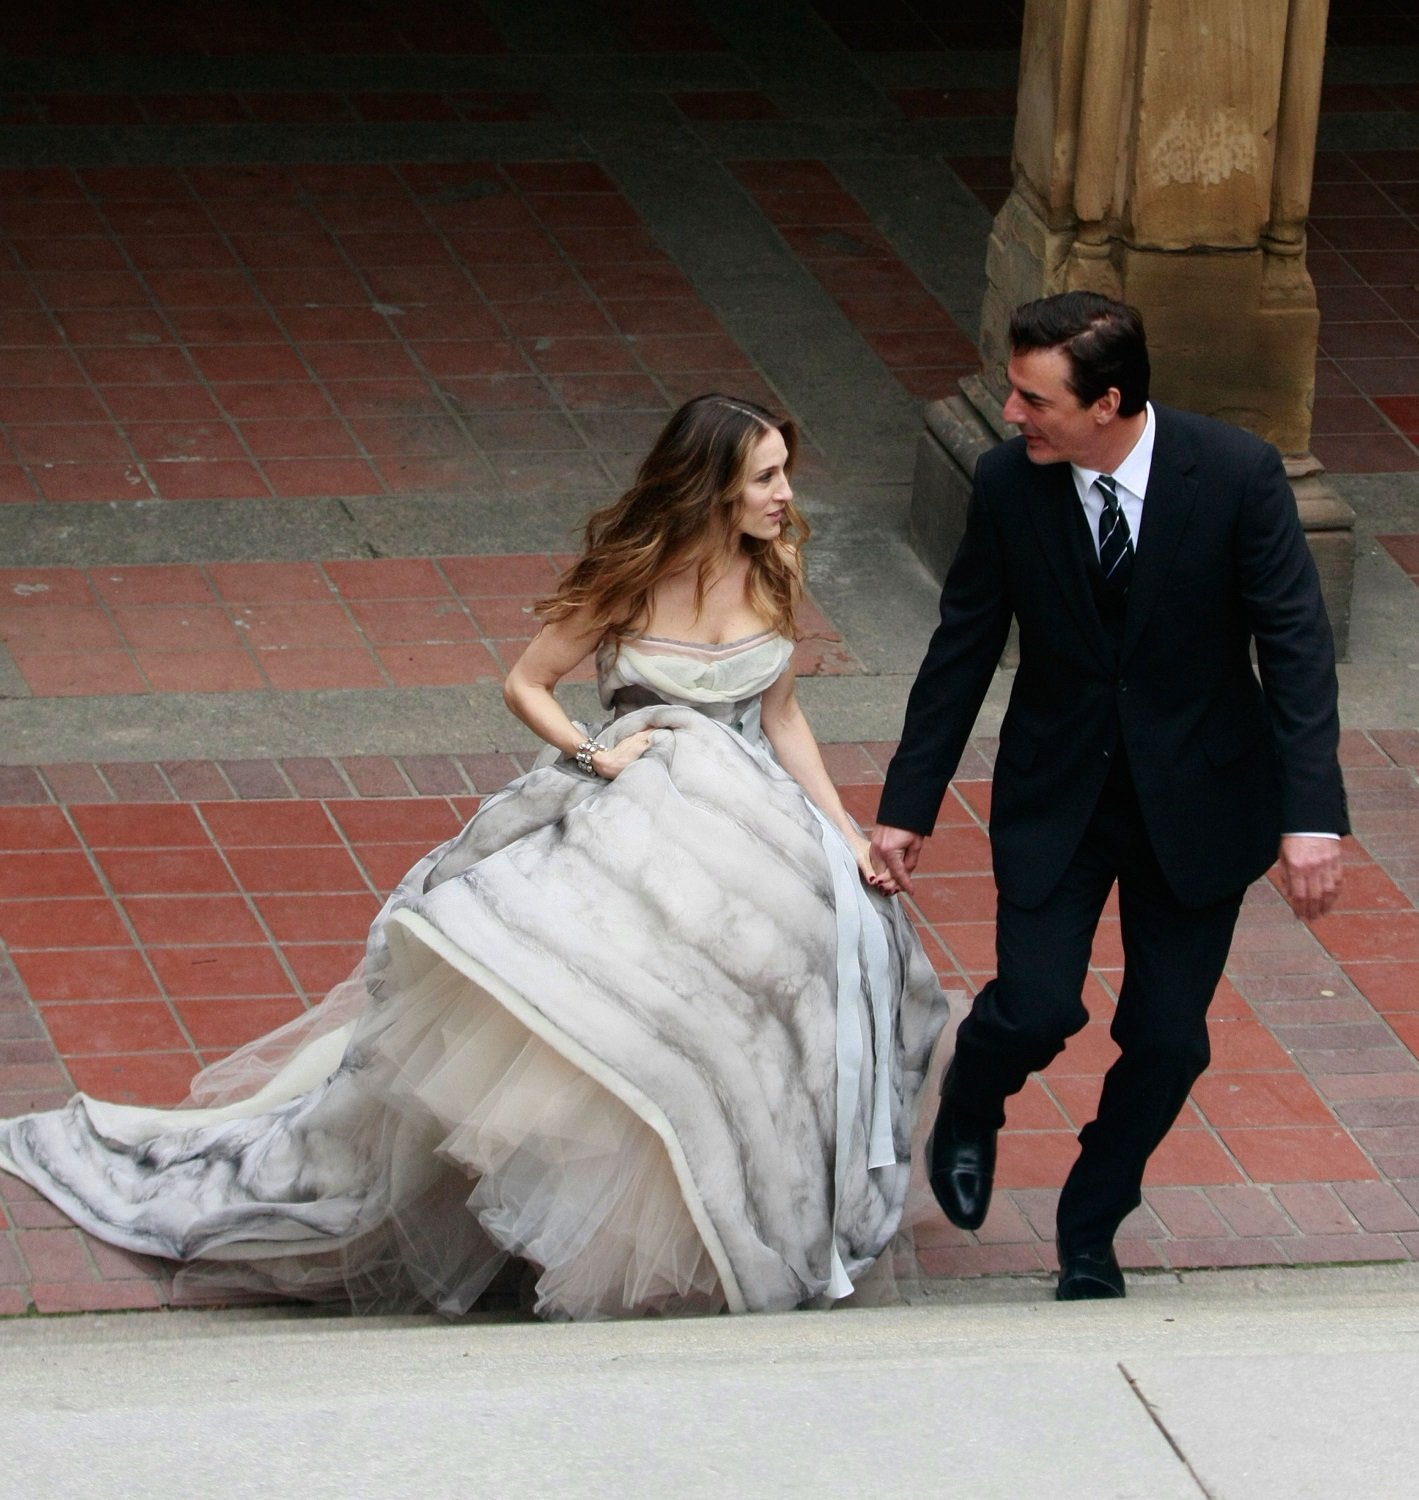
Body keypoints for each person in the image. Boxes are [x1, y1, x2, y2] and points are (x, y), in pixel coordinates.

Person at [0, 394, 946, 1321]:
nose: (787, 494)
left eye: (785, 473)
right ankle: (566, 1210)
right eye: (766, 477)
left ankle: (738, 1206)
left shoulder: (776, 561)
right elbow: (525, 681)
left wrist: (846, 831)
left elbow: (781, 718)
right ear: (710, 488)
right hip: (632, 816)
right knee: (604, 1000)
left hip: (751, 831)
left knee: (795, 980)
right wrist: (595, 752)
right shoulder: (629, 576)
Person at [870, 292, 1347, 1301]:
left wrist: (1312, 815)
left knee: (1169, 1039)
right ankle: (973, 1096)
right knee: (1038, 1006)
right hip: (1061, 793)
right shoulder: (1008, 487)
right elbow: (960, 651)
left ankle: (1092, 1223)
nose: (1010, 414)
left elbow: (1297, 650)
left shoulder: (1234, 476)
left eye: (1034, 398)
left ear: (1109, 403)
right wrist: (908, 806)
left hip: (1202, 798)